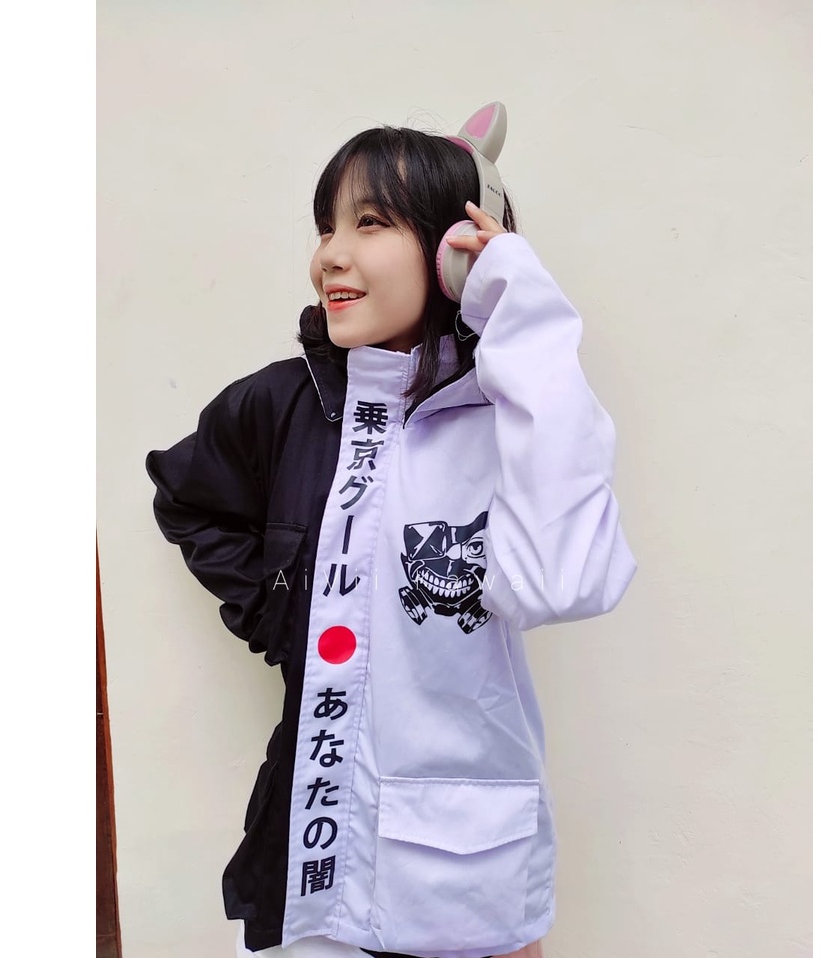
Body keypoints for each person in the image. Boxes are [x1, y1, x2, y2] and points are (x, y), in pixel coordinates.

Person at [145, 102, 637, 958]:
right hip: (313, 862)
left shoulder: (508, 418)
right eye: (326, 227)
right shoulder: (282, 403)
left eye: (369, 223)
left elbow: (562, 580)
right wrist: (283, 611)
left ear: (454, 254)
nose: (330, 255)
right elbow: (188, 497)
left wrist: (520, 307)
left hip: (466, 871)